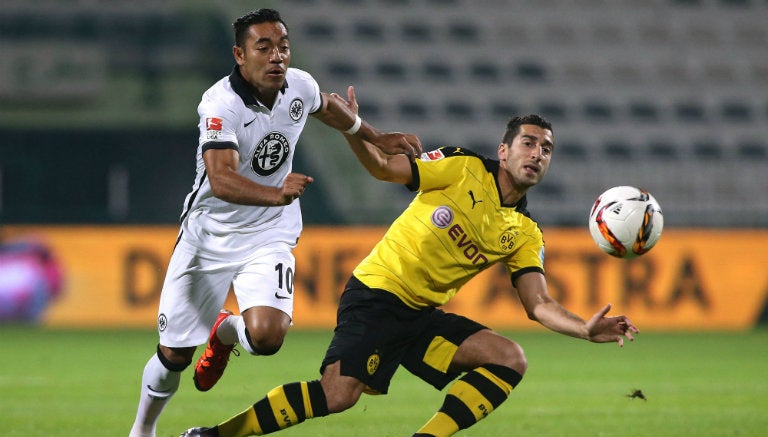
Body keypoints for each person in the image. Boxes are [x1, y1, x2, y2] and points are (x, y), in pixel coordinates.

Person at [178, 89, 640, 437]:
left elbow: (537, 304)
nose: (537, 154)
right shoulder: (461, 167)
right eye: (528, 144)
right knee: (338, 396)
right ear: (504, 151)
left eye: (546, 149)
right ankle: (214, 435)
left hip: (420, 317)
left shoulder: (525, 232)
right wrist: (350, 127)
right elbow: (384, 168)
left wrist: (582, 328)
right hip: (377, 294)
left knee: (508, 358)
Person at [128, 10, 422, 437]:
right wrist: (276, 193)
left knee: (267, 337)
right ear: (240, 55)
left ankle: (228, 334)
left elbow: (328, 106)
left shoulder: (298, 84)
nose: (276, 56)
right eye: (263, 47)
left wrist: (374, 136)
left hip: (269, 231)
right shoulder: (219, 104)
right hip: (210, 233)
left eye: (282, 46)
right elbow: (222, 179)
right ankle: (143, 429)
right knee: (174, 355)